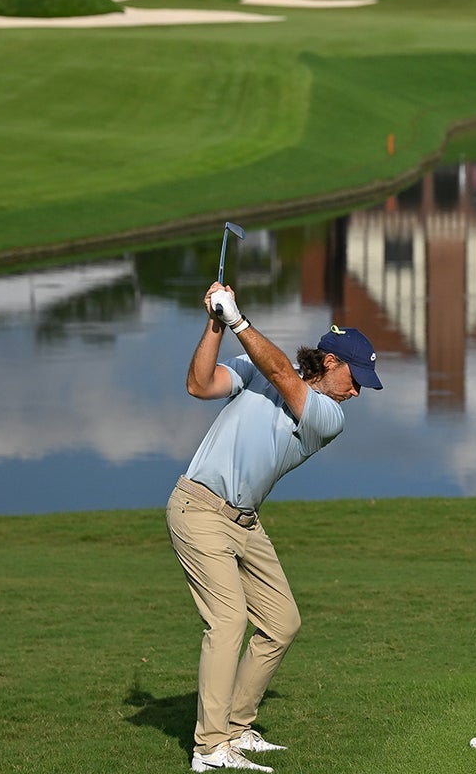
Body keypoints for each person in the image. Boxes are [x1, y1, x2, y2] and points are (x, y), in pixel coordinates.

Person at [171, 284, 382, 772]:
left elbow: (283, 374)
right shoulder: (257, 372)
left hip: (244, 522)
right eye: (356, 378)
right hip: (198, 508)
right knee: (228, 621)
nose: (358, 391)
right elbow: (199, 385)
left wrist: (239, 320)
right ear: (331, 363)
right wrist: (216, 325)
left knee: (282, 622)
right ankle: (209, 748)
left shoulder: (328, 417)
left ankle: (238, 728)